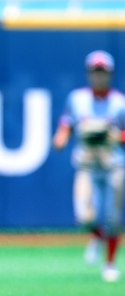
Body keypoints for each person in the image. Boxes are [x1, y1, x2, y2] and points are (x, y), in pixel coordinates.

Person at [53, 50, 125, 282]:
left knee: (113, 217)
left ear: (110, 74)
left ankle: (110, 263)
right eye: (95, 72)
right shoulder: (77, 99)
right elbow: (66, 123)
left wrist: (115, 135)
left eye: (102, 72)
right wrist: (61, 137)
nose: (98, 77)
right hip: (87, 164)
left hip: (113, 164)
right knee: (84, 217)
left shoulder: (119, 103)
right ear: (88, 74)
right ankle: (97, 235)